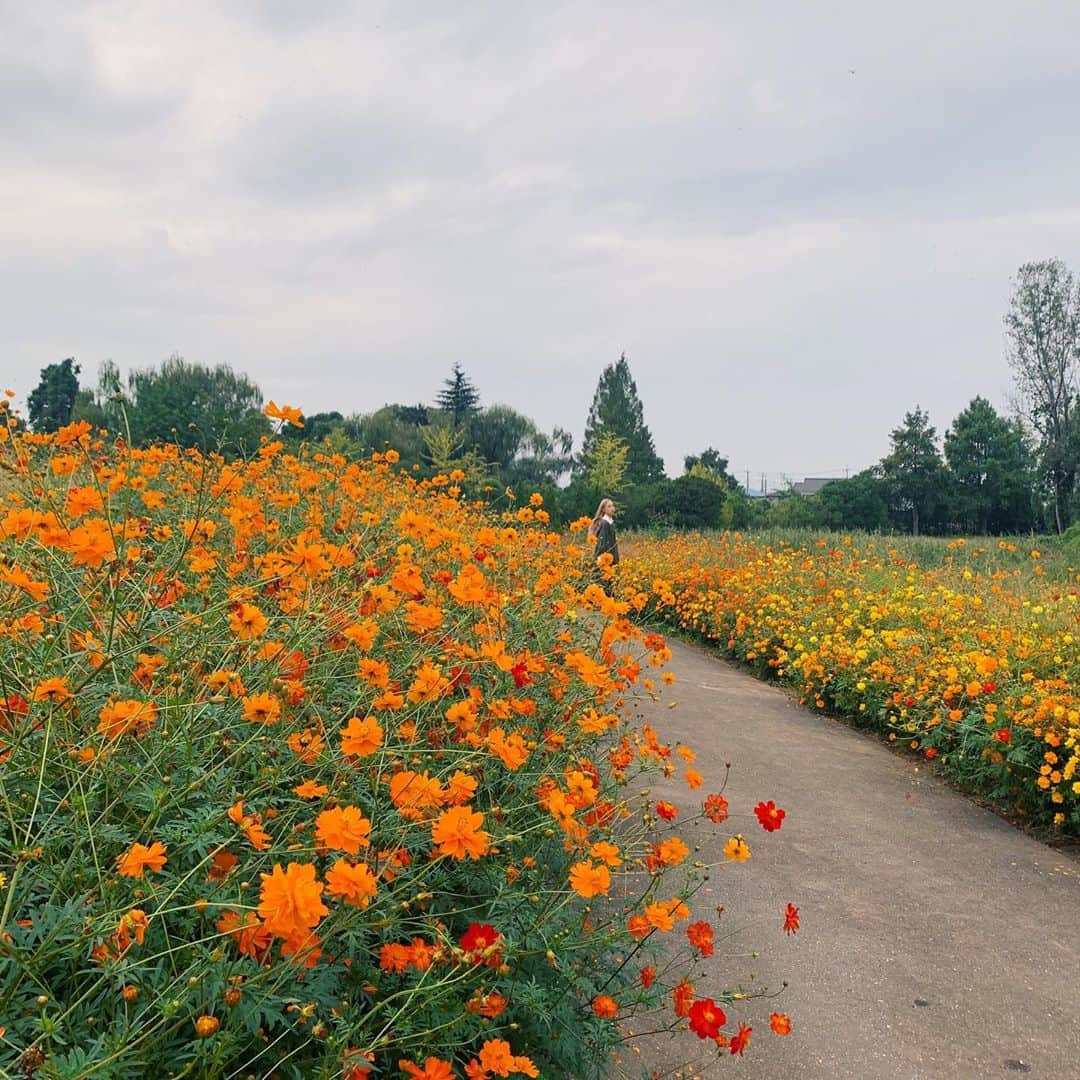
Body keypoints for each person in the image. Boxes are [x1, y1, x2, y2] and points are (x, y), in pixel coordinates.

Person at [587, 498, 619, 594]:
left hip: (611, 558)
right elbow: (602, 543)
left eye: (612, 506)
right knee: (604, 584)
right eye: (609, 506)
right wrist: (600, 558)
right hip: (606, 559)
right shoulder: (605, 523)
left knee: (609, 584)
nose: (612, 508)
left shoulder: (610, 522)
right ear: (603, 509)